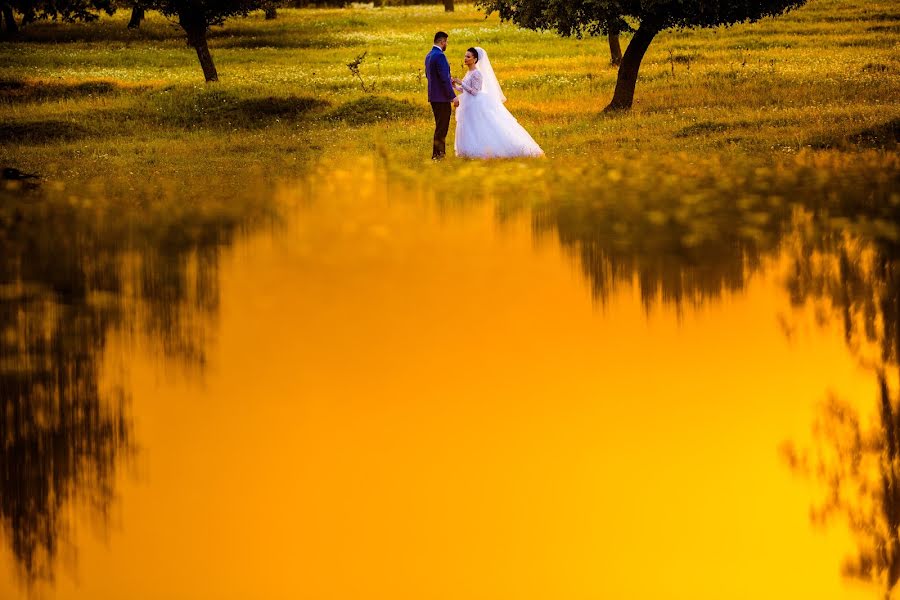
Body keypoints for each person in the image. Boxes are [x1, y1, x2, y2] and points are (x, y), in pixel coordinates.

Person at [452, 47, 544, 159]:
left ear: (475, 59)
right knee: (469, 127)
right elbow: (466, 90)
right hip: (468, 104)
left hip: (475, 104)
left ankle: (482, 151)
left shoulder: (477, 73)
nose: (465, 58)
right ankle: (467, 152)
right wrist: (455, 86)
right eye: (465, 56)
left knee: (479, 127)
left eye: (468, 56)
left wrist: (461, 82)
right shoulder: (469, 72)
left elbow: (475, 92)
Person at [424, 31, 458, 160]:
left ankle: (437, 154)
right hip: (442, 98)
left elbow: (429, 75)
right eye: (446, 42)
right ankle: (438, 155)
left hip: (433, 96)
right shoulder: (440, 56)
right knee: (442, 128)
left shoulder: (429, 55)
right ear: (442, 41)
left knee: (440, 126)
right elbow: (444, 78)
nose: (446, 44)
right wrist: (453, 96)